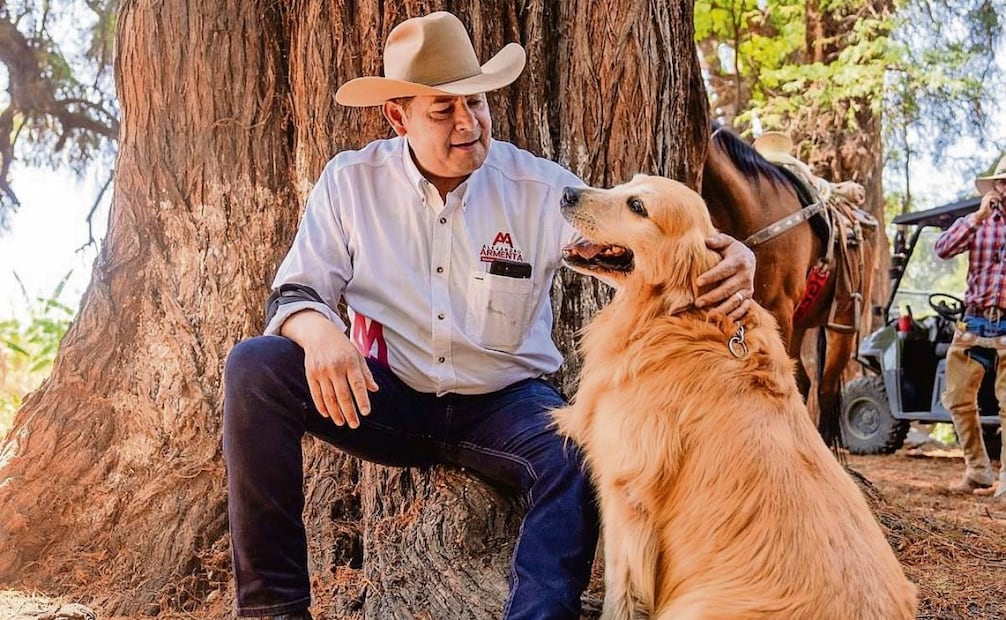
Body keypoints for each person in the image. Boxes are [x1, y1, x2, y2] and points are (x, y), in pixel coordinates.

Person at [222, 11, 757, 620]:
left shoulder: (537, 187)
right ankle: (273, 611)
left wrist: (731, 254)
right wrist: (318, 331)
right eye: (442, 111)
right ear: (398, 117)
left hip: (507, 405)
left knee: (579, 453)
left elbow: (645, 239)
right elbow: (293, 292)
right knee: (255, 368)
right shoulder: (351, 183)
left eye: (475, 104)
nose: (468, 125)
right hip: (386, 393)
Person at [935, 155, 1006, 500]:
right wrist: (977, 217)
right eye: (1003, 182)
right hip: (975, 319)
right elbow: (942, 249)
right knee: (958, 397)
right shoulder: (976, 221)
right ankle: (978, 471)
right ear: (994, 187)